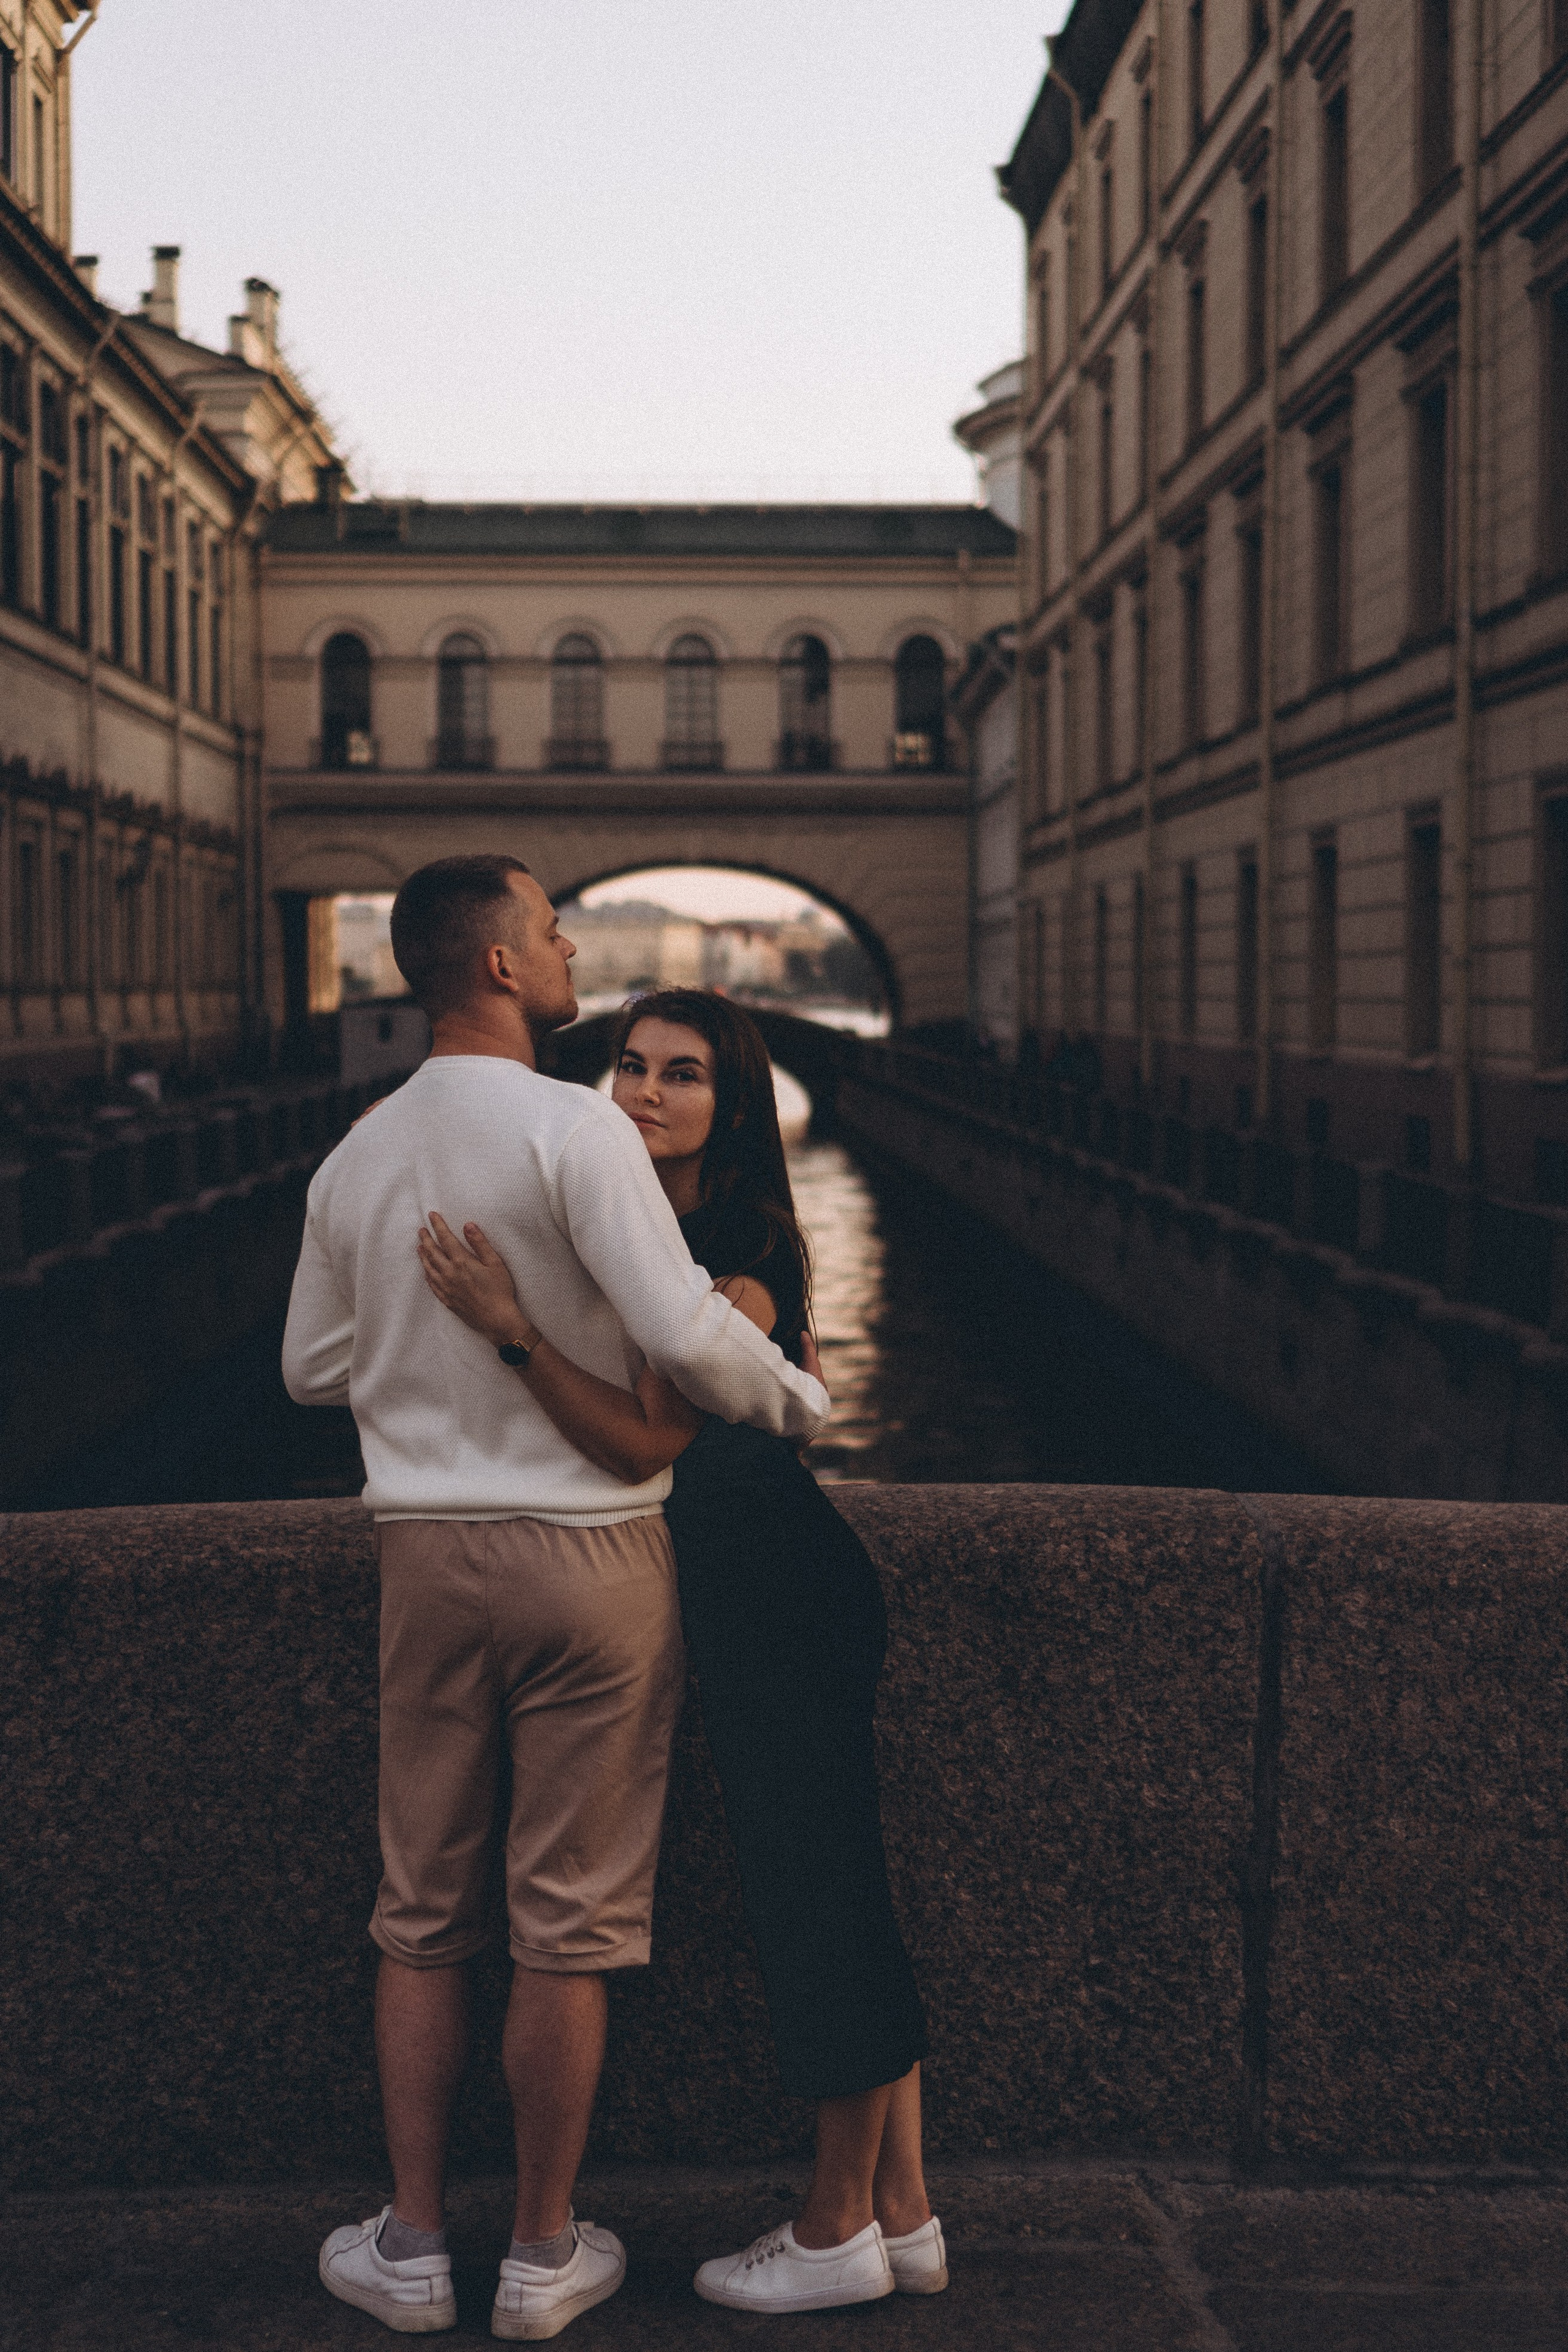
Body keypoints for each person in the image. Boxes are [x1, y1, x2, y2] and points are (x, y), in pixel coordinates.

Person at [282, 861, 829, 2340]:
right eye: (552, 926)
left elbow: (309, 1370)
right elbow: (683, 1334)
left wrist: (424, 1360)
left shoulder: (359, 1153)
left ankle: (405, 2245)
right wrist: (791, 1395)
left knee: (419, 1914)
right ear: (507, 968)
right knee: (566, 1927)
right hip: (593, 1559)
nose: (571, 940)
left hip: (425, 1558)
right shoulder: (578, 1131)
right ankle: (537, 2254)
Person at [416, 988, 946, 2318]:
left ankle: (831, 2231)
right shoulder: (641, 1223)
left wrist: (512, 1328)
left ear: (735, 1103)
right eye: (629, 1066)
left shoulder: (728, 1238)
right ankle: (904, 2213)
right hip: (757, 1583)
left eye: (684, 1074)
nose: (644, 1092)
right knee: (842, 1885)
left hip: (774, 1589)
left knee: (818, 1900)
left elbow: (646, 1438)